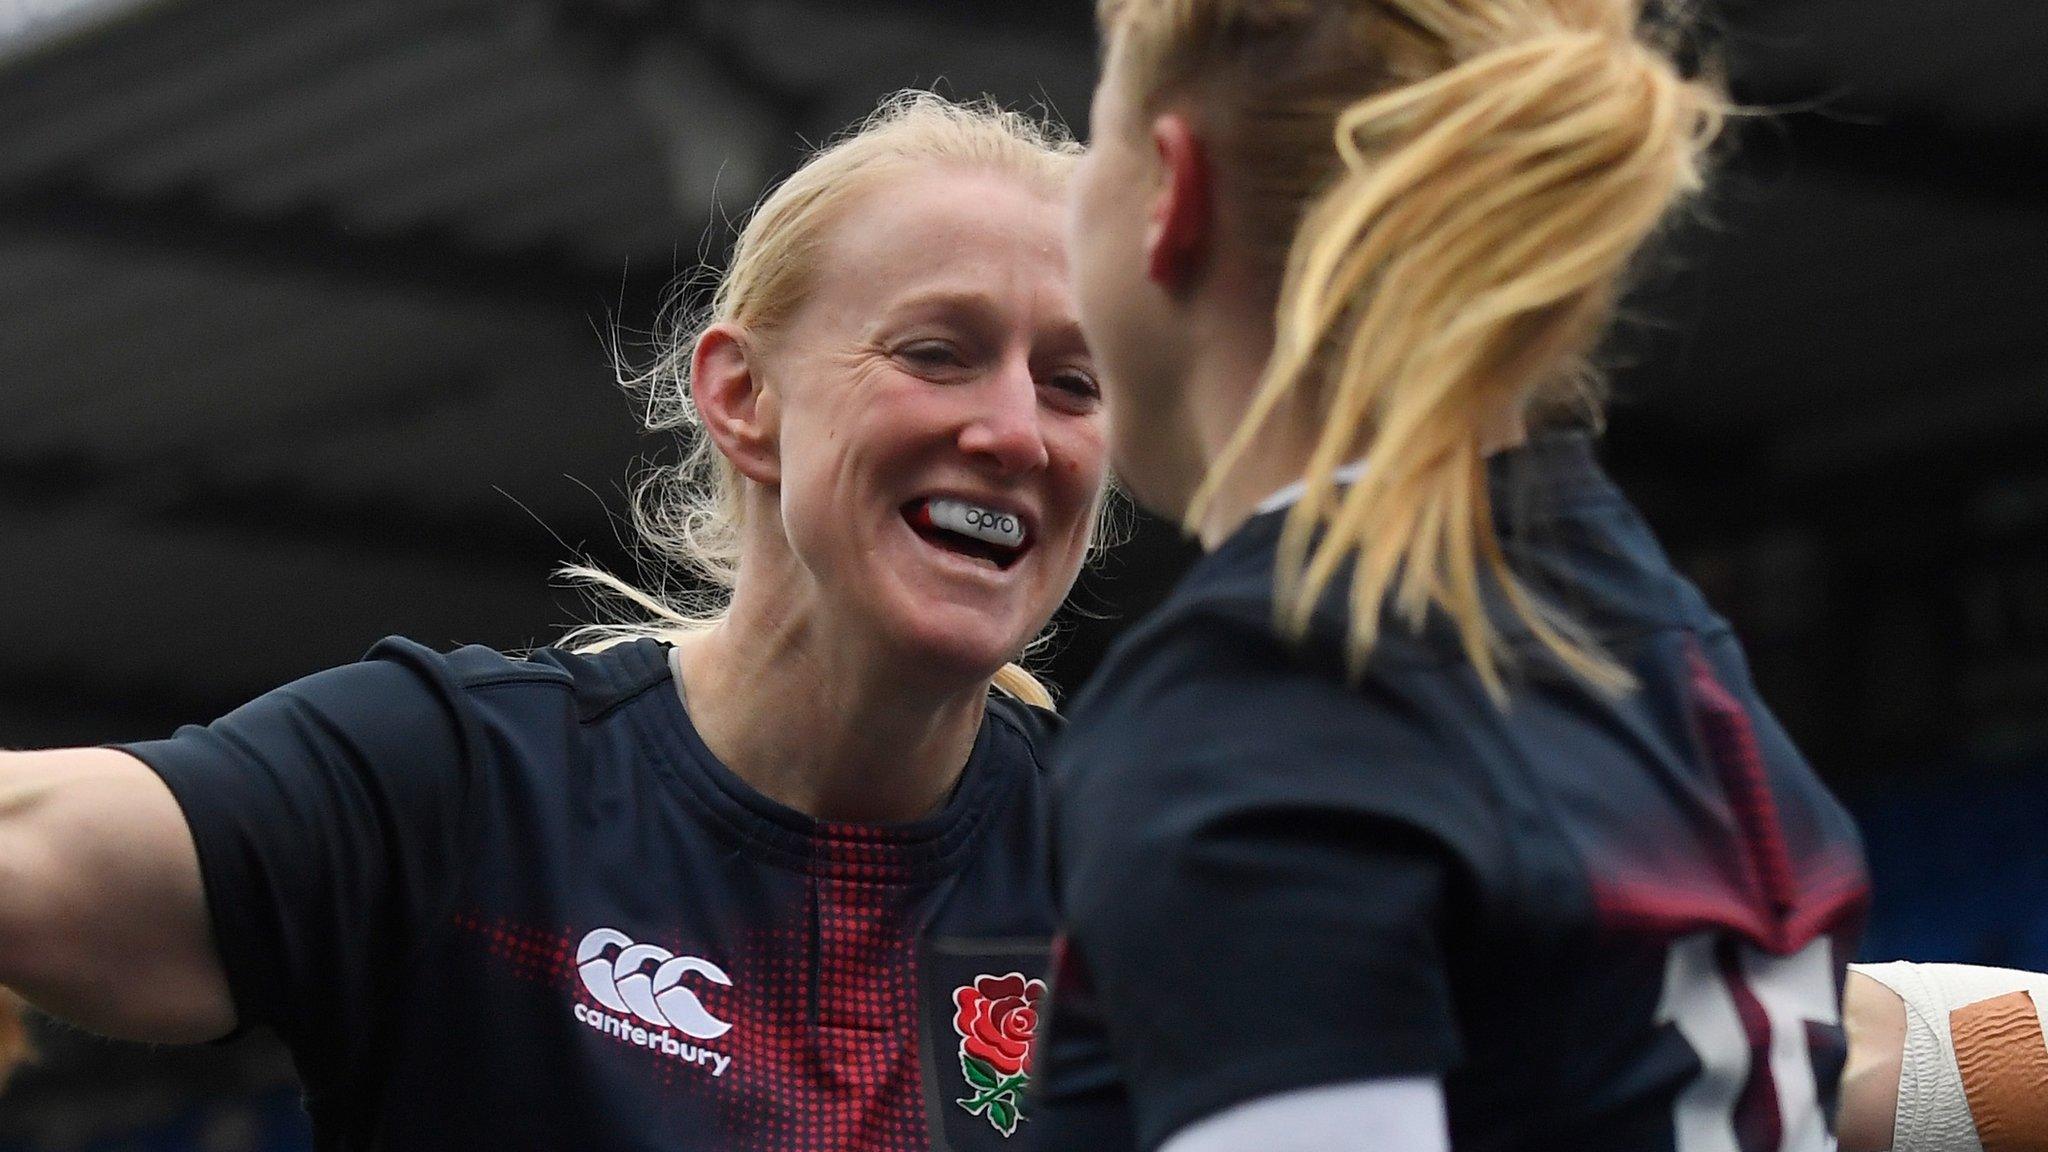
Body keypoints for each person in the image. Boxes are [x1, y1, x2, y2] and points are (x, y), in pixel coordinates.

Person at [0, 91, 1107, 1151]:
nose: (1017, 433)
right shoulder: (472, 792)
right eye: (935, 353)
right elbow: (31, 842)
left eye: (1071, 382)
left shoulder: (1131, 874)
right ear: (741, 399)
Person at [1029, 2, 2047, 1151]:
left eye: (1091, 144)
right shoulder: (1652, 632)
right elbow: (1818, 1050)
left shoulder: (1256, 709)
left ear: (1171, 190)